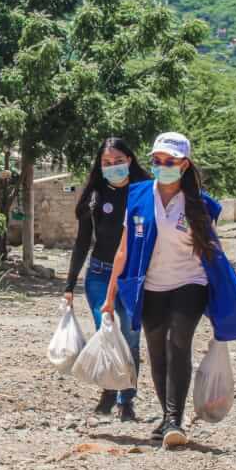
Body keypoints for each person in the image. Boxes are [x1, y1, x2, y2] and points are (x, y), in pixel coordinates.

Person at [104, 132, 236, 448]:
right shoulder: (136, 196)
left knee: (179, 342)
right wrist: (110, 297)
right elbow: (123, 250)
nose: (163, 166)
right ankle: (167, 416)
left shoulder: (201, 205)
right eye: (157, 161)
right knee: (157, 351)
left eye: (170, 162)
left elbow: (212, 253)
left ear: (184, 164)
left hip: (191, 283)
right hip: (151, 286)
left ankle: (175, 420)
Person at [63, 138, 151, 421]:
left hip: (134, 277)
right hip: (100, 275)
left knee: (131, 338)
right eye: (106, 163)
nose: (112, 167)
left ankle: (126, 400)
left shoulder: (145, 193)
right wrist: (69, 285)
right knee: (108, 332)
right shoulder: (95, 197)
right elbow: (81, 243)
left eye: (118, 162)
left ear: (130, 160)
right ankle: (109, 390)